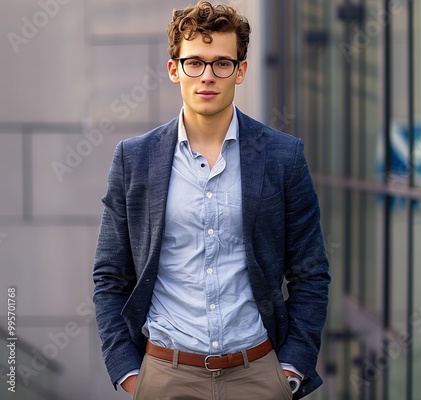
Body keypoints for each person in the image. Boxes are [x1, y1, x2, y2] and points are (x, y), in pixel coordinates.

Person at [93, 1, 330, 399]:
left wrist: (290, 369)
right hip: (165, 375)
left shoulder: (283, 156)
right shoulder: (134, 159)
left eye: (222, 63)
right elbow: (110, 277)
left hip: (257, 374)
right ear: (174, 69)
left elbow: (311, 273)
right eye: (195, 63)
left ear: (241, 70)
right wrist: (130, 374)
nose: (208, 76)